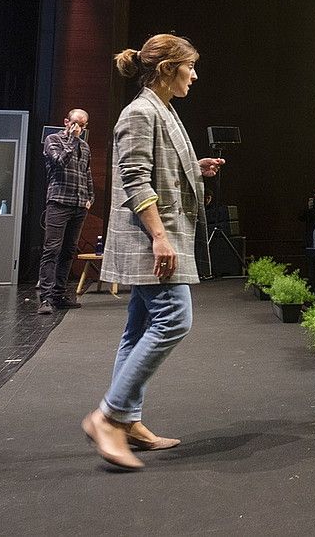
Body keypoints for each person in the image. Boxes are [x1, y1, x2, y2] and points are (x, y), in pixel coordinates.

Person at [83, 34, 224, 471]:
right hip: (151, 240)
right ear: (167, 69)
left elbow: (155, 168)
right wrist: (160, 237)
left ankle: (128, 420)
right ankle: (107, 416)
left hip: (157, 235)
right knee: (175, 319)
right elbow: (134, 180)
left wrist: (193, 169)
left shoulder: (162, 109)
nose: (195, 75)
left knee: (138, 327)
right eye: (189, 67)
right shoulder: (140, 112)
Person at [39, 110, 94, 313]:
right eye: (75, 123)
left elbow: (86, 173)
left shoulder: (85, 147)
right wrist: (71, 139)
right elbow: (59, 162)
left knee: (69, 251)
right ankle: (45, 298)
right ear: (66, 122)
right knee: (51, 250)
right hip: (59, 202)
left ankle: (59, 295)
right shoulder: (53, 139)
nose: (78, 128)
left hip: (79, 204)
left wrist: (90, 197)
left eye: (82, 125)